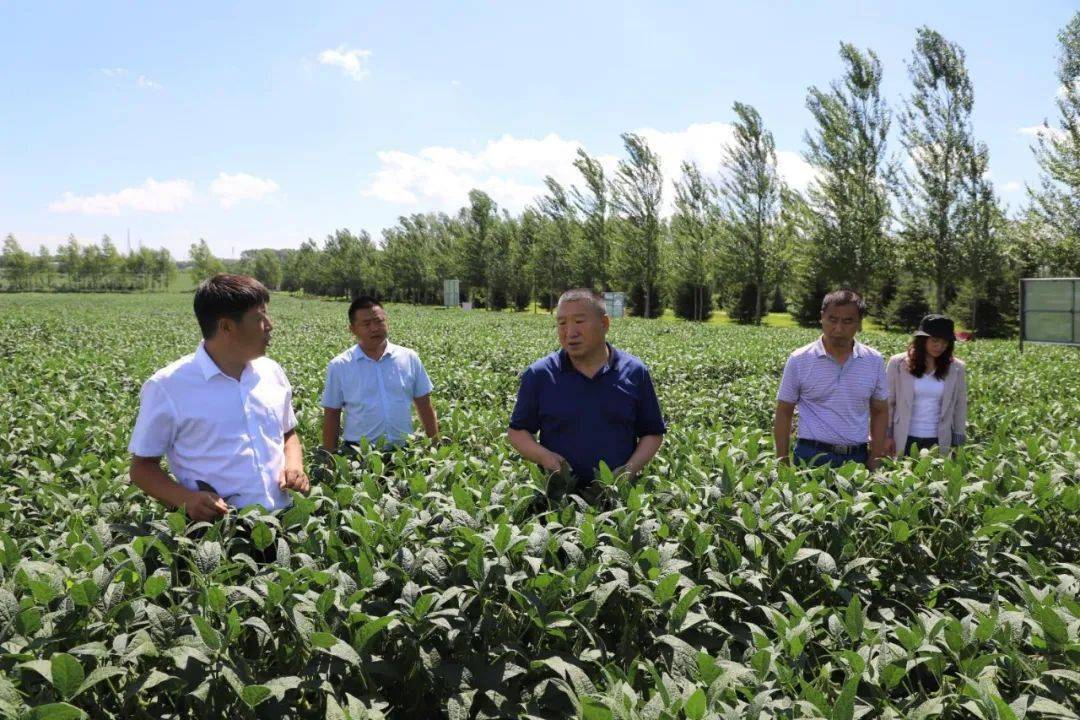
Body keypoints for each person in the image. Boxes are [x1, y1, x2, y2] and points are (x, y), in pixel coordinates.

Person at [129, 274, 309, 521]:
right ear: (226, 326)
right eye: (259, 317)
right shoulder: (168, 386)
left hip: (285, 520)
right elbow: (141, 469)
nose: (269, 325)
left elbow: (288, 433)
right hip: (220, 530)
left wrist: (294, 465)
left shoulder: (271, 371)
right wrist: (187, 499)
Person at [507, 288, 666, 494]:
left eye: (579, 321)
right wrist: (546, 458)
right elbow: (517, 431)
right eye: (562, 323)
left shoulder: (635, 372)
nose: (570, 332)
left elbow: (652, 433)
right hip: (559, 499)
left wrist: (628, 471)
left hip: (617, 499)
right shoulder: (540, 374)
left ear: (604, 324)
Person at [774, 288, 889, 468]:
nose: (838, 328)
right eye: (832, 320)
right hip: (811, 456)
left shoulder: (873, 360)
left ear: (859, 323)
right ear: (822, 317)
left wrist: (875, 455)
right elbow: (784, 410)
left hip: (856, 457)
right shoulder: (799, 359)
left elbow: (880, 410)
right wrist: (782, 460)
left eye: (848, 321)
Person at [321, 297, 438, 455]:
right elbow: (332, 415)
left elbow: (424, 405)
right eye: (366, 324)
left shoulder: (409, 357)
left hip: (404, 452)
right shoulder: (340, 365)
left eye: (378, 321)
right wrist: (330, 459)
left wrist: (435, 446)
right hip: (358, 454)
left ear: (386, 321)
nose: (374, 328)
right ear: (352, 329)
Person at [884, 314, 967, 456]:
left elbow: (960, 406)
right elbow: (888, 402)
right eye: (935, 341)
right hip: (904, 437)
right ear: (922, 340)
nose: (940, 346)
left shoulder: (956, 368)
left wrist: (958, 440)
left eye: (945, 342)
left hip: (938, 440)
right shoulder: (897, 363)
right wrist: (886, 435)